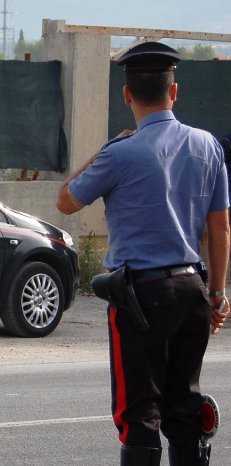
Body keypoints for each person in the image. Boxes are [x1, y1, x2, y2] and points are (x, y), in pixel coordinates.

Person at [55, 41, 230, 466]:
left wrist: (103, 150)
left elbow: (65, 201)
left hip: (141, 298)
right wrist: (219, 294)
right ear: (175, 91)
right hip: (192, 290)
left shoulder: (120, 154)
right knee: (185, 408)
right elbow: (220, 226)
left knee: (138, 415)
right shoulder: (208, 146)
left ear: (127, 94)